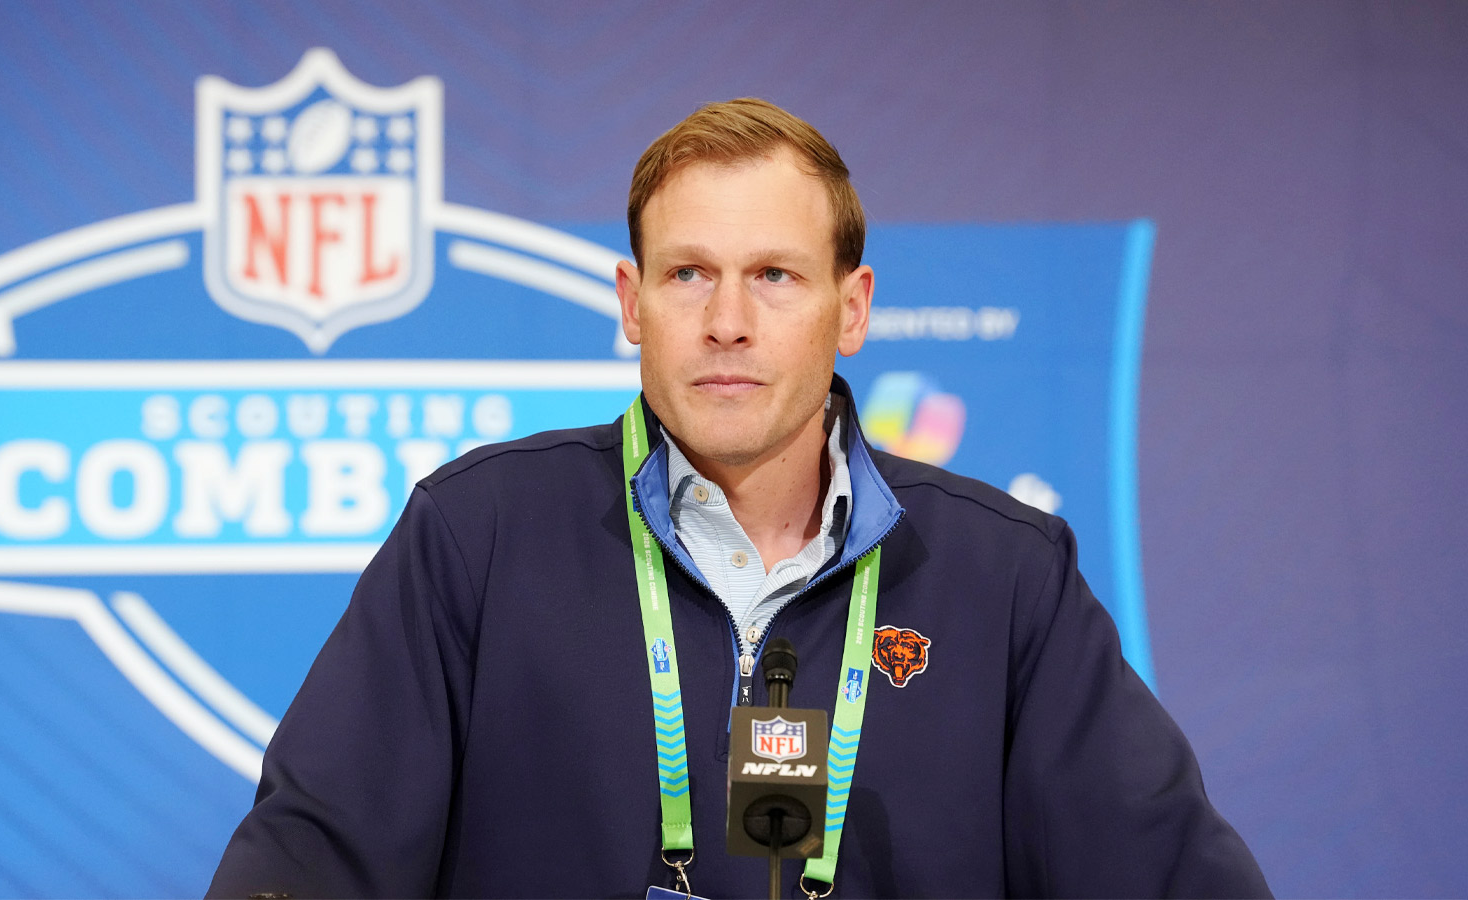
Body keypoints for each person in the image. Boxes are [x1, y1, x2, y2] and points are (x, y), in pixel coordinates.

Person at [208, 98, 1271, 898]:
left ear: (850, 309)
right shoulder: (476, 536)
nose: (726, 320)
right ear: (631, 305)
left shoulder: (1003, 575)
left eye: (773, 276)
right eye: (686, 276)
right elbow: (306, 862)